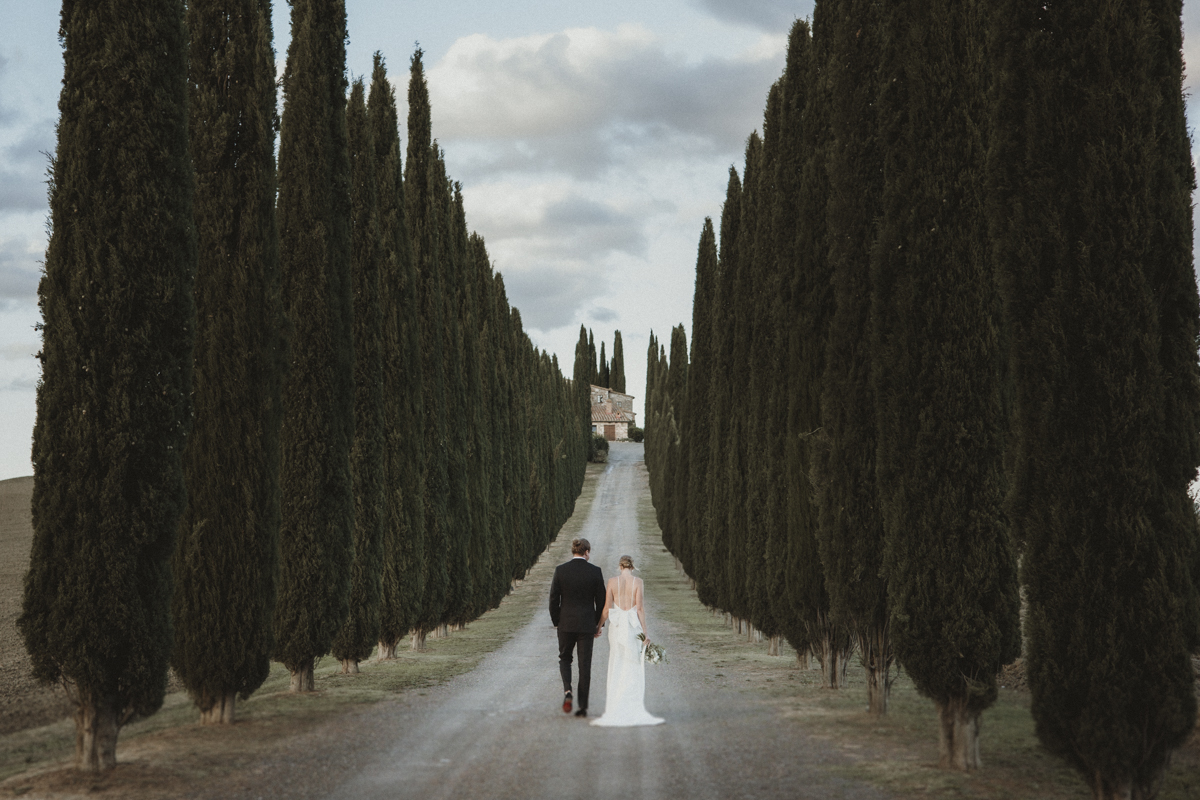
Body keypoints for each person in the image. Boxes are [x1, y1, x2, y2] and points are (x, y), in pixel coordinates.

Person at [590, 554, 664, 727]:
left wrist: (599, 626)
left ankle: (616, 704)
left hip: (616, 628)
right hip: (632, 627)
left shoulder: (612, 581)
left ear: (620, 566)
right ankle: (631, 703)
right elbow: (639, 608)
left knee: (617, 661)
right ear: (632, 566)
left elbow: (607, 609)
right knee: (632, 663)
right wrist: (645, 632)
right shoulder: (638, 582)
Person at [548, 537, 606, 717]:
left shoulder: (561, 570)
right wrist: (598, 624)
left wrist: (557, 621)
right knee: (584, 664)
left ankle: (567, 691)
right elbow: (602, 602)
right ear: (586, 552)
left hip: (565, 623)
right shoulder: (595, 571)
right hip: (587, 625)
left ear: (573, 551)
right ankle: (582, 707)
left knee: (565, 658)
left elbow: (553, 600)